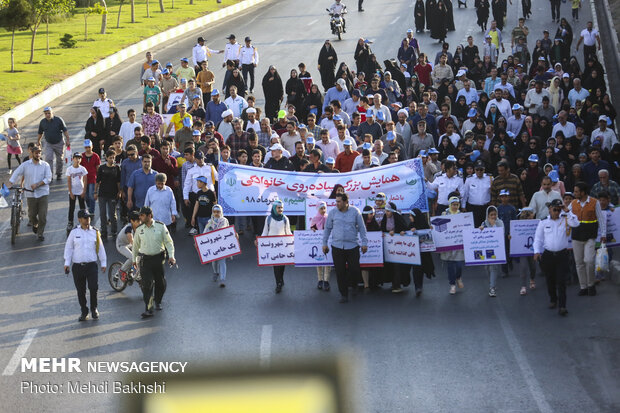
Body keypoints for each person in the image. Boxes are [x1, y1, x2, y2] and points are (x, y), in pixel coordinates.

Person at [533, 199, 580, 316]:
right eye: (555, 209)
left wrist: (567, 211)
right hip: (548, 255)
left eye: (559, 210)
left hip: (562, 255)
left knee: (561, 281)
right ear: (549, 209)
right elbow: (538, 239)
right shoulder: (543, 222)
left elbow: (576, 223)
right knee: (550, 279)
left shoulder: (565, 219)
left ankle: (562, 306)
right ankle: (553, 299)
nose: (557, 212)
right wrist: (536, 251)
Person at [323, 192, 368, 303]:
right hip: (337, 247)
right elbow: (327, 229)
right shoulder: (332, 213)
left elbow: (362, 228)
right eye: (336, 201)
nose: (336, 203)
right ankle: (344, 294)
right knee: (340, 271)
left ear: (346, 202)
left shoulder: (355, 212)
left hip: (352, 246)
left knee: (354, 270)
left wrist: (364, 243)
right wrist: (324, 243)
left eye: (339, 201)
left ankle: (354, 285)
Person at [132, 206, 176, 318]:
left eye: (142, 215)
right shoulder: (139, 229)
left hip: (158, 259)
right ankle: (149, 308)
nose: (140, 217)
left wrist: (171, 256)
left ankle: (158, 301)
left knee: (160, 283)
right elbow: (135, 246)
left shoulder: (161, 227)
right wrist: (134, 260)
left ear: (149, 216)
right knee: (147, 284)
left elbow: (168, 243)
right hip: (145, 260)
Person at [64, 209, 107, 322]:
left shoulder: (95, 232)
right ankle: (84, 310)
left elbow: (100, 248)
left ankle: (94, 309)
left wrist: (103, 262)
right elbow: (69, 248)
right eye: (85, 218)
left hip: (91, 265)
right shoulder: (74, 233)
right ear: (79, 219)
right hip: (78, 267)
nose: (87, 220)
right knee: (81, 290)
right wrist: (67, 263)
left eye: (88, 218)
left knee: (93, 288)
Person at [8, 145, 52, 241]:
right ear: (32, 153)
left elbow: (48, 178)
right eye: (36, 152)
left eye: (39, 152)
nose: (38, 154)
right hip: (30, 194)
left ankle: (40, 233)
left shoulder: (45, 165)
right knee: (31, 215)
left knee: (43, 216)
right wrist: (10, 182)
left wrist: (38, 184)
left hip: (42, 194)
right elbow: (17, 172)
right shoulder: (25, 165)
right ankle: (35, 224)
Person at [570, 181, 606, 297]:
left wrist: (603, 234)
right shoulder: (573, 203)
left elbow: (601, 219)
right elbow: (566, 216)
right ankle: (583, 287)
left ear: (583, 192)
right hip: (576, 237)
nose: (574, 193)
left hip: (590, 236)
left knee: (589, 261)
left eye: (576, 191)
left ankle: (591, 285)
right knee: (579, 262)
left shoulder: (594, 202)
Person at [257, 200, 292, 293]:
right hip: (272, 247)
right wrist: (259, 241)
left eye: (281, 208)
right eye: (278, 207)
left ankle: (281, 278)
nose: (280, 209)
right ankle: (278, 283)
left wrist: (293, 241)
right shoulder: (268, 219)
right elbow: (265, 232)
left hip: (283, 245)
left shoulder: (285, 219)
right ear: (274, 208)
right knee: (276, 265)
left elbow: (288, 232)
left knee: (282, 265)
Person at [203, 205, 235, 288]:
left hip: (222, 245)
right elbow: (204, 233)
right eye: (215, 212)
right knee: (214, 262)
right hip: (213, 246)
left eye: (218, 212)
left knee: (222, 262)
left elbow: (228, 231)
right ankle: (215, 272)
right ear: (212, 212)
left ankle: (222, 279)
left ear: (221, 212)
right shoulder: (210, 222)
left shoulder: (224, 221)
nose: (216, 214)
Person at [440, 195, 466, 294]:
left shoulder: (461, 214)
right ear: (450, 204)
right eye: (453, 204)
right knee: (450, 266)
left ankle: (458, 277)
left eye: (456, 204)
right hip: (448, 245)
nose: (455, 206)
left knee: (459, 265)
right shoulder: (444, 214)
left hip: (458, 244)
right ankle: (452, 285)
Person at [381, 202, 409, 293]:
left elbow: (404, 229)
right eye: (386, 211)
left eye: (388, 211)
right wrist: (384, 233)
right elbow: (383, 228)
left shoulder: (398, 218)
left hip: (398, 246)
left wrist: (396, 232)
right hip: (389, 246)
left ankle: (397, 285)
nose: (387, 213)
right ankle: (393, 283)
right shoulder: (385, 218)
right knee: (391, 266)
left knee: (397, 266)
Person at [37, 107, 69, 180]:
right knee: (48, 159)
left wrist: (68, 140)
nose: (47, 115)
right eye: (46, 113)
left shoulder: (59, 120)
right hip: (49, 143)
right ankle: (50, 175)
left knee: (59, 159)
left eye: (49, 113)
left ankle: (59, 173)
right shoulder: (42, 122)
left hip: (59, 142)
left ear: (52, 113)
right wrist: (38, 141)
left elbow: (65, 130)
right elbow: (40, 133)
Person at [95, 150, 121, 239]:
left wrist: (119, 191)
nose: (112, 159)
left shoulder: (117, 168)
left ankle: (114, 231)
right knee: (102, 213)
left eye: (113, 158)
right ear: (106, 158)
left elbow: (118, 181)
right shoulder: (102, 168)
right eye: (110, 158)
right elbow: (97, 181)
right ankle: (104, 231)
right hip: (102, 194)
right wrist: (95, 192)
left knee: (112, 214)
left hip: (113, 194)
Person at [480, 205, 504, 297]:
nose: (493, 216)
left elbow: (499, 234)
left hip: (496, 249)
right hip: (486, 250)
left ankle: (492, 287)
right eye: (491, 215)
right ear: (487, 215)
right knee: (487, 268)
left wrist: (493, 225)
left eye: (495, 214)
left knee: (493, 268)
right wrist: (481, 229)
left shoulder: (500, 223)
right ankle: (492, 282)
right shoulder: (484, 223)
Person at [514, 207, 537, 295]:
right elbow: (515, 234)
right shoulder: (518, 225)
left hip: (532, 249)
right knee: (523, 267)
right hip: (522, 249)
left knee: (533, 267)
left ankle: (532, 279)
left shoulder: (535, 224)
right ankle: (523, 286)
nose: (530, 217)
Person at [310, 202, 332, 291]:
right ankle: (320, 280)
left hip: (327, 242)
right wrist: (313, 229)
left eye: (324, 208)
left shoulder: (329, 218)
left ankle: (326, 280)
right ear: (318, 209)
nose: (323, 210)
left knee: (327, 261)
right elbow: (312, 228)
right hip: (318, 243)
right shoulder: (315, 219)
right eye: (321, 208)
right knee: (318, 261)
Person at [463, 160, 492, 226]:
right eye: (477, 169)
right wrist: (463, 206)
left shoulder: (490, 178)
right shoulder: (469, 179)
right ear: (474, 170)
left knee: (486, 227)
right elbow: (465, 194)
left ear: (484, 169)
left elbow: (492, 192)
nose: (479, 171)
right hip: (473, 208)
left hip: (485, 208)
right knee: (474, 227)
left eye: (481, 169)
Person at [116, 210, 142, 279]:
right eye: (137, 221)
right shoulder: (128, 228)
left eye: (140, 221)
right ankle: (121, 271)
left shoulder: (138, 227)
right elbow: (131, 241)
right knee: (132, 257)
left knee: (139, 258)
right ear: (132, 221)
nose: (140, 223)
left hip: (128, 244)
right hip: (121, 245)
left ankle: (136, 274)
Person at [66, 152, 88, 230]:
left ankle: (84, 221)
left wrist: (84, 191)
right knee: (71, 207)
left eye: (79, 158)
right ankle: (70, 222)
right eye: (76, 158)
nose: (77, 160)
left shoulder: (82, 169)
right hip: (73, 191)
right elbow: (69, 181)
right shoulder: (69, 169)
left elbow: (85, 180)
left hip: (80, 190)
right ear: (73, 159)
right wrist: (70, 192)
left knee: (82, 207)